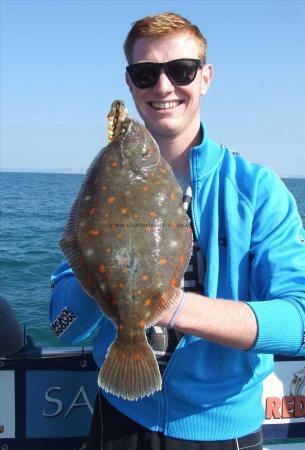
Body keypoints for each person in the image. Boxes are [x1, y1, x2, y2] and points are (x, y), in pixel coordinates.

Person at [49, 12, 305, 450]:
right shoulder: (101, 186)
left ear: (205, 78)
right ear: (130, 84)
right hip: (119, 423)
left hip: (225, 433)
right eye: (146, 74)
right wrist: (101, 275)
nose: (164, 86)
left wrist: (170, 306)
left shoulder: (256, 190)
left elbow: (299, 326)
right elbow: (61, 326)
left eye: (181, 70)